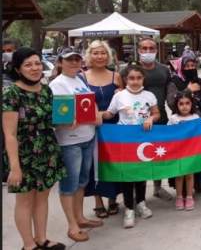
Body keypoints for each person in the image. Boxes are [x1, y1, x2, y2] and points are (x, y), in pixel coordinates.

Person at [3, 47, 67, 250]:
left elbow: (52, 121)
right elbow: (10, 134)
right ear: (18, 69)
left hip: (47, 150)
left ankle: (41, 238)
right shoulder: (11, 93)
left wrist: (69, 119)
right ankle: (28, 244)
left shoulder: (46, 89)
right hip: (24, 154)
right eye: (28, 64)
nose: (35, 68)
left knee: (42, 197)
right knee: (25, 200)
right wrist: (15, 167)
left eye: (37, 63)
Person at [49, 48, 103, 242]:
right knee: (69, 185)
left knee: (82, 181)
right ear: (60, 63)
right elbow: (58, 114)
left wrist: (96, 116)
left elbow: (89, 103)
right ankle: (72, 226)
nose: (73, 63)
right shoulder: (57, 84)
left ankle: (80, 217)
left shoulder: (80, 80)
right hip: (69, 141)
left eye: (76, 59)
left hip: (87, 137)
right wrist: (68, 119)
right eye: (69, 60)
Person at [102, 64, 160, 228]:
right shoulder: (119, 96)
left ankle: (141, 203)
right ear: (126, 79)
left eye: (138, 78)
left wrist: (151, 119)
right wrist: (95, 114)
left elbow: (157, 113)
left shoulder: (149, 95)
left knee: (141, 173)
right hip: (124, 141)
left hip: (143, 139)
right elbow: (110, 114)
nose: (135, 81)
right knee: (127, 175)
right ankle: (129, 208)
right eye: (131, 78)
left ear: (143, 79)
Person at [80, 40, 123, 219]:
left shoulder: (116, 76)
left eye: (103, 53)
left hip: (114, 128)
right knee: (94, 165)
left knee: (113, 163)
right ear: (90, 55)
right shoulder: (81, 77)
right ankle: (98, 202)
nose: (99, 56)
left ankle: (113, 199)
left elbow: (124, 100)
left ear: (108, 55)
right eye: (96, 53)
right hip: (92, 128)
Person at [167, 53, 201, 194]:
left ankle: (200, 184)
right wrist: (188, 91)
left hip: (199, 124)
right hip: (182, 126)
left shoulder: (199, 81)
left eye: (193, 65)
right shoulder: (174, 81)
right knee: (184, 155)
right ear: (181, 67)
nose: (190, 68)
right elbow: (171, 102)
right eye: (187, 66)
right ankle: (181, 189)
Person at [137, 38, 173, 201]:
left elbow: (170, 92)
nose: (147, 51)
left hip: (160, 118)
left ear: (156, 50)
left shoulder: (164, 69)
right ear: (138, 50)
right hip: (137, 122)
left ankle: (158, 188)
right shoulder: (131, 70)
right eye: (144, 48)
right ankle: (139, 194)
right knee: (139, 157)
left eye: (151, 48)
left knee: (159, 155)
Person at [168, 90, 201, 211]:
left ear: (192, 104)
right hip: (178, 153)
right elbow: (168, 135)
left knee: (190, 176)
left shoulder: (196, 117)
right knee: (179, 176)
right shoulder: (173, 119)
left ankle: (189, 196)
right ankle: (179, 197)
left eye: (187, 103)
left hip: (190, 153)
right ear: (177, 105)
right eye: (181, 103)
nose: (184, 106)